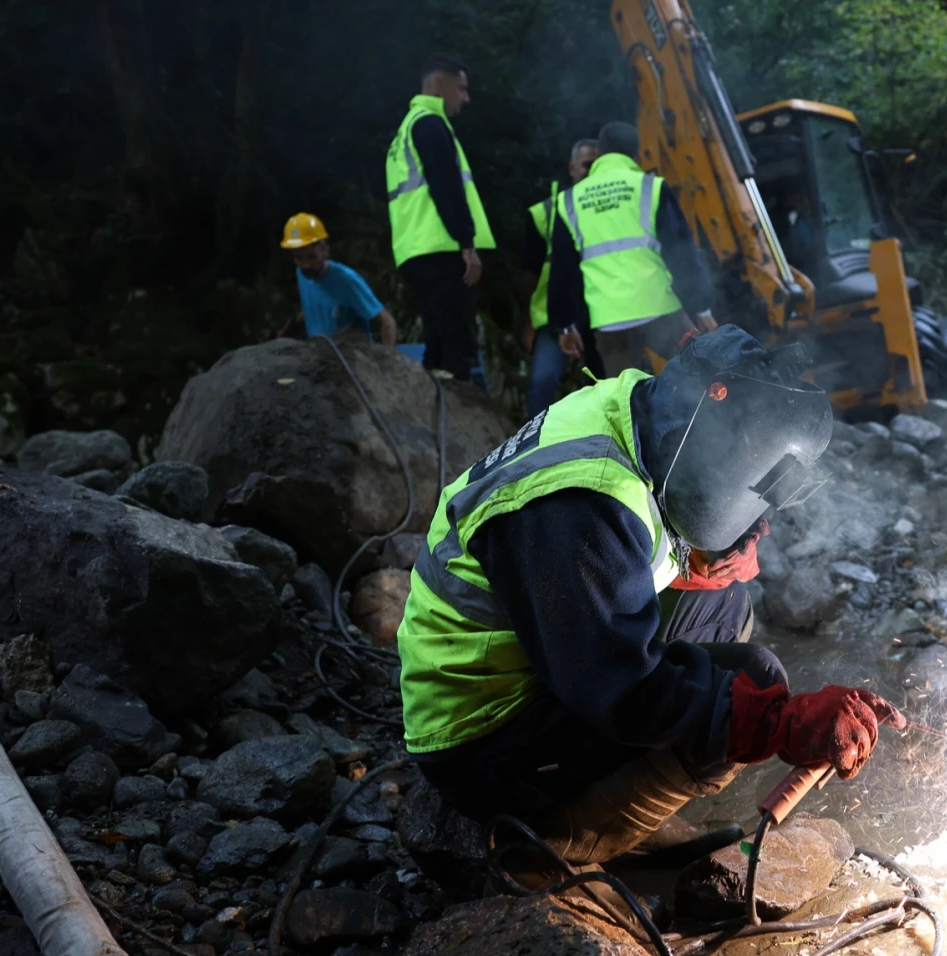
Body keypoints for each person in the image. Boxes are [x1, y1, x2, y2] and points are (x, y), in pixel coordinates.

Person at [398, 326, 903, 871]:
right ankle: (551, 847)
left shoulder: (651, 409)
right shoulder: (580, 502)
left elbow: (638, 531)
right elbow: (626, 688)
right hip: (480, 732)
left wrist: (717, 548)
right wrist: (779, 723)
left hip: (541, 653)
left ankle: (622, 801)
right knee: (750, 683)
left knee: (724, 607)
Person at [548, 122, 718, 378]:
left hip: (610, 321)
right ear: (637, 155)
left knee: (627, 395)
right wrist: (701, 308)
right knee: (705, 376)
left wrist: (565, 325)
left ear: (600, 153)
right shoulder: (650, 187)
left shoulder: (569, 201)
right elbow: (681, 252)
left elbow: (562, 271)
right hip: (661, 311)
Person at [386, 53, 495, 383]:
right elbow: (447, 187)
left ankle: (433, 406)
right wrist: (467, 244)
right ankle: (454, 408)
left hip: (416, 250)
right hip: (443, 248)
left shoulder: (405, 130)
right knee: (457, 348)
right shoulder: (430, 124)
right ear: (438, 84)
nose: (466, 98)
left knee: (437, 345)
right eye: (461, 89)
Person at [521, 138, 600, 417]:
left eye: (598, 166)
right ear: (572, 168)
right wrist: (528, 323)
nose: (592, 172)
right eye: (587, 165)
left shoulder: (609, 210)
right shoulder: (545, 213)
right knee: (542, 383)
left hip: (601, 313)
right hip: (554, 316)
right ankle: (535, 439)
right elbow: (530, 272)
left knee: (605, 384)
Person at [275, 213, 397, 346]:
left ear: (325, 251)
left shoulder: (346, 280)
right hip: (318, 352)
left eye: (311, 257)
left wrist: (388, 357)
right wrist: (292, 327)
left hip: (351, 353)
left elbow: (387, 322)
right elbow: (317, 305)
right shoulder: (302, 274)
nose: (305, 265)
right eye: (299, 258)